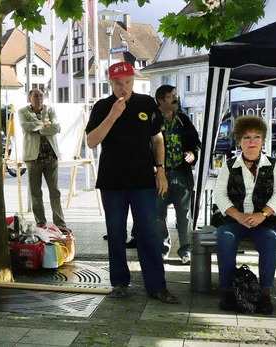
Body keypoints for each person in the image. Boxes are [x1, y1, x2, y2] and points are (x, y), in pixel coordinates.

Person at [85, 62, 178, 304]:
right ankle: (119, 283)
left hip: (143, 180)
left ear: (133, 81)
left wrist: (161, 170)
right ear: (110, 83)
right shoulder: (102, 106)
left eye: (127, 82)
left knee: (149, 233)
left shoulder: (146, 103)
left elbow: (157, 139)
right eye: (118, 83)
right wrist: (113, 116)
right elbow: (91, 141)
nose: (123, 87)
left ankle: (157, 286)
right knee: (116, 234)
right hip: (112, 181)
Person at [213, 115, 276, 315]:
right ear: (238, 141)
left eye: (256, 137)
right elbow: (219, 195)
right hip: (234, 219)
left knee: (271, 239)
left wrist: (262, 214)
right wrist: (238, 215)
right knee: (224, 237)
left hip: (263, 221)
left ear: (263, 140)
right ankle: (227, 292)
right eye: (246, 137)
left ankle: (264, 293)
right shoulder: (228, 166)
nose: (252, 142)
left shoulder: (275, 164)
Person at [154, 85, 201, 264]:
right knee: (158, 214)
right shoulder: (152, 119)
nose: (175, 98)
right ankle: (162, 248)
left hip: (181, 172)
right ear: (160, 100)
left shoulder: (182, 119)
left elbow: (196, 142)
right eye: (170, 96)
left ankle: (186, 250)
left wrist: (192, 153)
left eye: (175, 95)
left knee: (185, 214)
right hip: (159, 175)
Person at [19, 88, 67, 228]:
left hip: (51, 156)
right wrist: (44, 124)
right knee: (35, 193)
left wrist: (37, 127)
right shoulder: (23, 112)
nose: (39, 98)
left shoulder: (50, 110)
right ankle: (41, 223)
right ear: (29, 98)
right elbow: (25, 127)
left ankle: (60, 223)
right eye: (35, 96)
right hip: (33, 158)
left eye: (41, 95)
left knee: (55, 191)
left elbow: (56, 128)